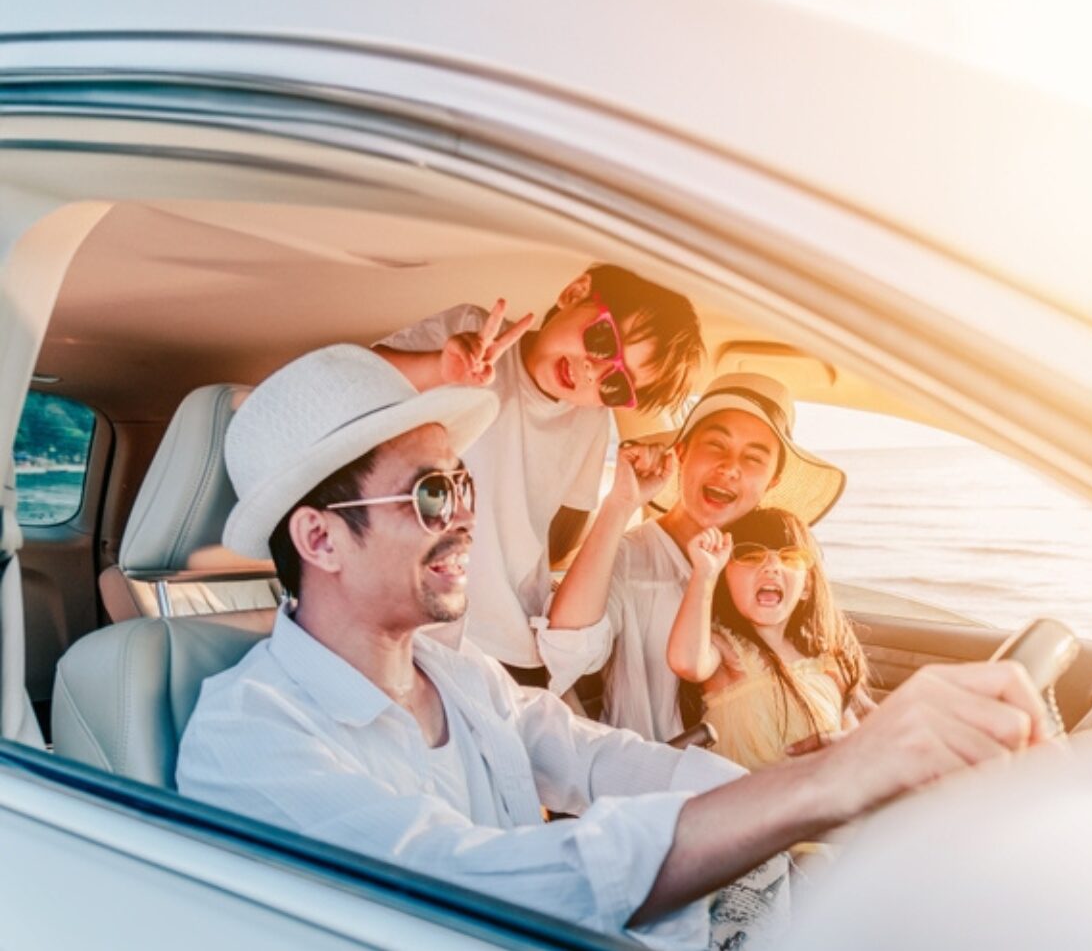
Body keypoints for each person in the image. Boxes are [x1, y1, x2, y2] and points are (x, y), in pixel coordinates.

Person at [175, 345, 1047, 949]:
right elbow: (461, 884)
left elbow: (604, 763)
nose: (468, 515)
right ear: (321, 540)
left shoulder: (456, 674)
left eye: (465, 483)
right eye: (434, 495)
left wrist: (824, 782)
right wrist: (826, 786)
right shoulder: (251, 736)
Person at [372, 264, 703, 683]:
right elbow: (358, 384)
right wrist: (442, 369)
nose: (593, 372)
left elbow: (562, 536)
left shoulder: (590, 423)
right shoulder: (474, 333)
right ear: (575, 292)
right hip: (413, 626)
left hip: (509, 648)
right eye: (602, 342)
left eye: (616, 384)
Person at [536, 372, 845, 743]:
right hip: (662, 781)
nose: (730, 468)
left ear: (771, 482)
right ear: (681, 453)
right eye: (716, 445)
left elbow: (817, 659)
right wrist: (619, 506)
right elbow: (565, 653)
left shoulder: (771, 571)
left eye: (753, 458)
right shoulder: (629, 556)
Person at [668, 508, 877, 771]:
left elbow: (852, 740)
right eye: (751, 556)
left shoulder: (824, 661)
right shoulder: (728, 653)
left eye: (789, 558)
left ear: (807, 588)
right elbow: (686, 661)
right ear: (725, 581)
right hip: (750, 802)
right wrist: (705, 574)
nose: (771, 567)